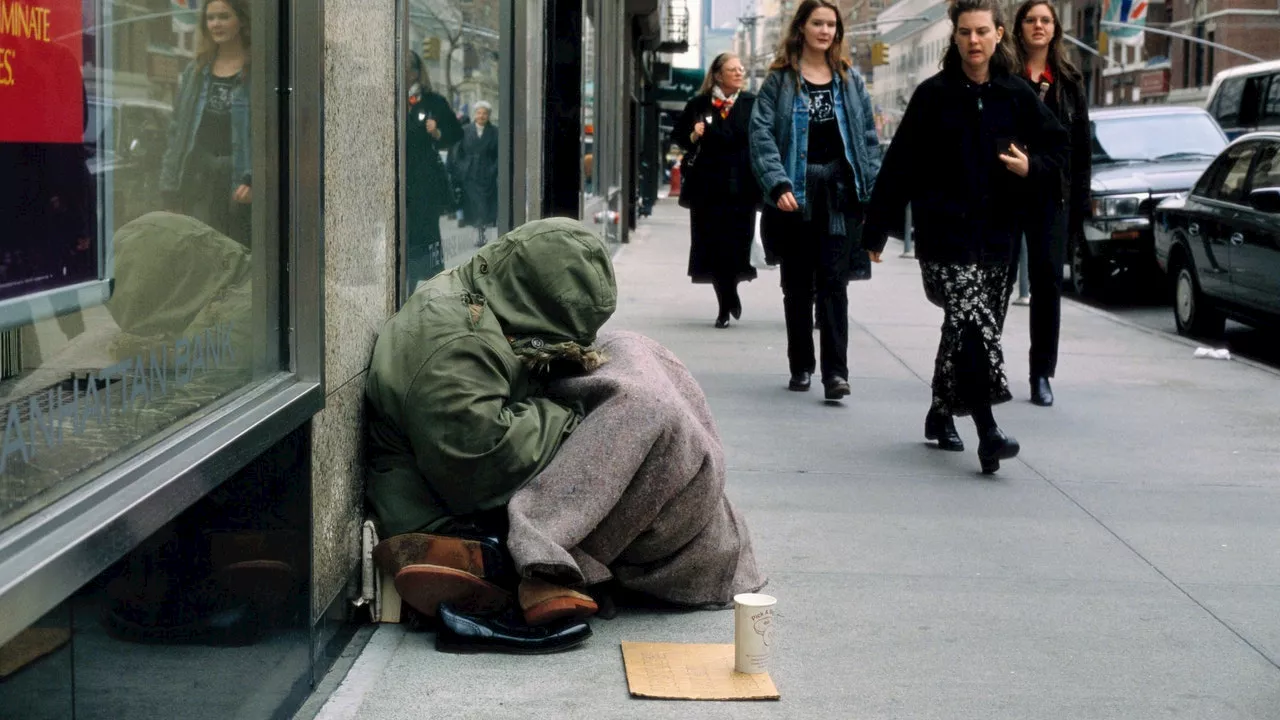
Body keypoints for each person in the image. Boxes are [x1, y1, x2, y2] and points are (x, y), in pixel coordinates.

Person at [365, 218, 764, 652]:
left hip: (481, 472)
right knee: (639, 418)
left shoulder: (486, 295)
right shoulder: (452, 350)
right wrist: (576, 411)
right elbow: (482, 465)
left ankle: (534, 564)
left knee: (639, 360)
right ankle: (521, 561)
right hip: (448, 508)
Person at [862, 0, 1068, 473]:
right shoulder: (932, 96)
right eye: (964, 33)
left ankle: (940, 412)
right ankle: (988, 430)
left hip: (998, 240)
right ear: (954, 38)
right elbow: (899, 168)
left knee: (964, 328)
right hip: (944, 241)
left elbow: (1059, 148)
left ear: (998, 36)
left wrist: (1030, 166)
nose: (973, 41)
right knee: (974, 326)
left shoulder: (1017, 95)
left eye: (981, 32)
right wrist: (876, 229)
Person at [749, 0, 881, 401]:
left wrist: (873, 198)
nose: (825, 31)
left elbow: (868, 141)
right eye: (817, 23)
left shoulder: (850, 80)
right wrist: (778, 184)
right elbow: (761, 135)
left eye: (831, 25)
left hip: (839, 198)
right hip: (795, 196)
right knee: (797, 286)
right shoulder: (779, 81)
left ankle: (836, 374)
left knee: (834, 285)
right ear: (801, 28)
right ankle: (801, 365)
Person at [1012, 0, 1091, 407]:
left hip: (1051, 194)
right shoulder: (1005, 74)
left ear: (1055, 28)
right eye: (1031, 20)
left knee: (1047, 285)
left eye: (1045, 20)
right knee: (993, 281)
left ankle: (1041, 373)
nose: (1038, 26)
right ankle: (985, 366)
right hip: (1005, 193)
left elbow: (1080, 148)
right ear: (1020, 27)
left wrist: (1080, 204)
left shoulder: (1070, 79)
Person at [672, 53, 760, 328]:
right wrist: (694, 135)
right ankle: (724, 305)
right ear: (718, 75)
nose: (739, 73)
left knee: (736, 247)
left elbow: (758, 139)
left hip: (741, 189)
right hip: (706, 190)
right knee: (712, 246)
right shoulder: (698, 104)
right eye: (733, 69)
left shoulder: (751, 103)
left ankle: (730, 290)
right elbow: (678, 137)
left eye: (741, 69)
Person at [160, 0, 252, 246]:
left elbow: (268, 133)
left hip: (238, 183)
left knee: (237, 253)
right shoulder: (196, 71)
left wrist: (253, 178)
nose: (216, 24)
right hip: (199, 179)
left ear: (241, 20)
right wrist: (169, 185)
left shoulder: (257, 71)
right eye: (210, 18)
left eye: (224, 16)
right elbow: (177, 130)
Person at [404, 52, 462, 290]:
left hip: (423, 181)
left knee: (425, 234)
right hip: (399, 178)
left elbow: (455, 133)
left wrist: (437, 133)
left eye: (406, 69)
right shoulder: (389, 96)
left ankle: (429, 287)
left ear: (416, 73)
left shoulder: (432, 101)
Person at [451, 100, 500, 248]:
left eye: (485, 113)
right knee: (474, 206)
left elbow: (499, 154)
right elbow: (457, 152)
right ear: (474, 114)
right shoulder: (465, 131)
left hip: (487, 174)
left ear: (488, 115)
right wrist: (462, 168)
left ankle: (482, 232)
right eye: (479, 113)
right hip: (470, 174)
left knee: (484, 206)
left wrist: (494, 169)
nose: (481, 116)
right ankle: (478, 232)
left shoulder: (495, 132)